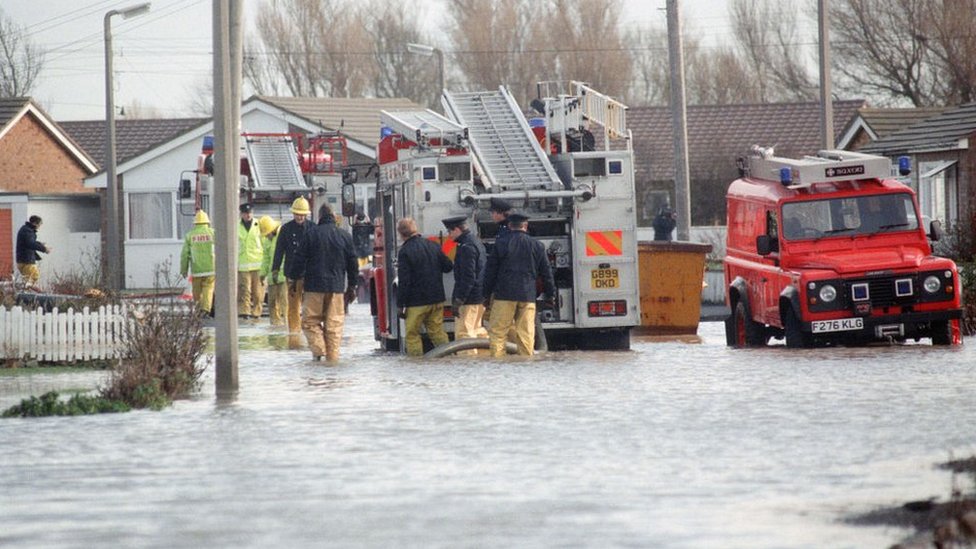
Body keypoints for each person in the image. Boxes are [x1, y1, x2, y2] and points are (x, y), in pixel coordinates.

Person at [289, 203, 358, 362]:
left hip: (314, 287)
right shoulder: (344, 236)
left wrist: (294, 279)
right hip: (336, 288)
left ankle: (319, 351)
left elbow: (299, 259)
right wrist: (352, 286)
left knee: (310, 322)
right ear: (334, 217)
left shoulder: (310, 235)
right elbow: (352, 264)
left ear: (319, 217)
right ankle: (332, 361)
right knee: (334, 326)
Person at [483, 212, 556, 357]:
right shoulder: (537, 246)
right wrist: (550, 295)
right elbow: (546, 273)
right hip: (527, 296)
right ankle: (526, 366)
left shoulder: (500, 244)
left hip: (504, 296)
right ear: (526, 225)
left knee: (498, 333)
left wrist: (485, 295)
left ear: (509, 226)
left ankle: (498, 366)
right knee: (526, 334)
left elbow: (490, 272)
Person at [396, 217, 454, 356]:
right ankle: (448, 358)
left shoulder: (405, 252)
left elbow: (404, 281)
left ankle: (417, 365)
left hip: (416, 303)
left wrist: (400, 305)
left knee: (412, 334)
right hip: (437, 299)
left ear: (401, 234)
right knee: (437, 331)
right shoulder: (433, 245)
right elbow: (448, 267)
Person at [443, 215, 487, 355]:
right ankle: (484, 360)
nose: (448, 236)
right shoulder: (475, 242)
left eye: (450, 232)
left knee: (464, 336)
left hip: (469, 299)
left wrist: (459, 300)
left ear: (457, 230)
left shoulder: (466, 247)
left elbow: (468, 277)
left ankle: (467, 365)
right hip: (479, 297)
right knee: (478, 332)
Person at [272, 197, 311, 335]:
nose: (300, 217)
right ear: (293, 213)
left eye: (302, 214)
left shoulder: (312, 228)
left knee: (310, 307)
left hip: (309, 275)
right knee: (293, 306)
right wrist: (275, 269)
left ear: (306, 214)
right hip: (292, 275)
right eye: (297, 214)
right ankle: (294, 333)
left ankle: (309, 330)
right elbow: (279, 250)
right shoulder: (286, 229)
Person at [180, 210, 216, 314]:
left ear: (195, 223)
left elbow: (184, 255)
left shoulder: (190, 236)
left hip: (197, 269)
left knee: (197, 291)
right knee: (208, 289)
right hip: (211, 268)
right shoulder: (213, 233)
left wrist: (184, 270)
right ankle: (205, 309)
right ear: (207, 222)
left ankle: (198, 309)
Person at [237, 203, 264, 320]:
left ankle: (257, 312)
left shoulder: (259, 225)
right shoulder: (236, 226)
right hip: (243, 263)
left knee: (258, 292)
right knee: (244, 290)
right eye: (245, 213)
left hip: (258, 263)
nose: (248, 215)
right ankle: (244, 311)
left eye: (249, 213)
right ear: (241, 214)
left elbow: (265, 243)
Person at [259, 215, 287, 326]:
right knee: (272, 303)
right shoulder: (267, 241)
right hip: (272, 278)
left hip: (284, 276)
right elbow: (266, 258)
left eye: (267, 234)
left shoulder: (283, 235)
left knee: (285, 303)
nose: (267, 237)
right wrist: (262, 274)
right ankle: (275, 325)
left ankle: (286, 325)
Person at [15, 215, 50, 288]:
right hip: (27, 261)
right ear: (35, 223)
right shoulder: (28, 231)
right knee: (35, 276)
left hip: (22, 260)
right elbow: (30, 244)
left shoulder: (25, 229)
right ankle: (26, 291)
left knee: (28, 279)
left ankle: (25, 292)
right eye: (39, 224)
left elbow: (29, 242)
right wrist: (44, 249)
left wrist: (40, 244)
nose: (39, 227)